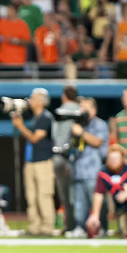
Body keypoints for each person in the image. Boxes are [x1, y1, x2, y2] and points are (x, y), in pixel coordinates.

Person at [11, 88, 55, 236]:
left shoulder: (45, 117)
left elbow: (36, 138)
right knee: (31, 196)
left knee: (44, 195)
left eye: (33, 98)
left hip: (43, 162)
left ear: (42, 101)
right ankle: (34, 226)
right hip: (30, 161)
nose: (30, 101)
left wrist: (20, 126)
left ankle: (47, 227)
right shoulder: (35, 118)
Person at [64, 97, 109, 238]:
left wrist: (81, 133)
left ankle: (102, 228)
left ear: (93, 110)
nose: (82, 110)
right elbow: (73, 148)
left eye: (85, 108)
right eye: (81, 107)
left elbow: (97, 142)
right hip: (78, 170)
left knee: (96, 203)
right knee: (79, 204)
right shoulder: (78, 124)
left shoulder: (99, 124)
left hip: (94, 171)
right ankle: (80, 227)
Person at [87, 144, 127, 239]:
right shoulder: (104, 172)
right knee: (125, 232)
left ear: (122, 159)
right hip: (120, 207)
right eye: (111, 159)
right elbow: (98, 194)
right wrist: (95, 215)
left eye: (116, 159)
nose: (113, 162)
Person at [52, 85, 78, 233]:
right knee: (77, 191)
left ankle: (70, 225)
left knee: (65, 194)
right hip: (77, 157)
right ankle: (77, 224)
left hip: (60, 156)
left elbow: (55, 135)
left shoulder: (60, 111)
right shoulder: (81, 111)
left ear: (64, 96)